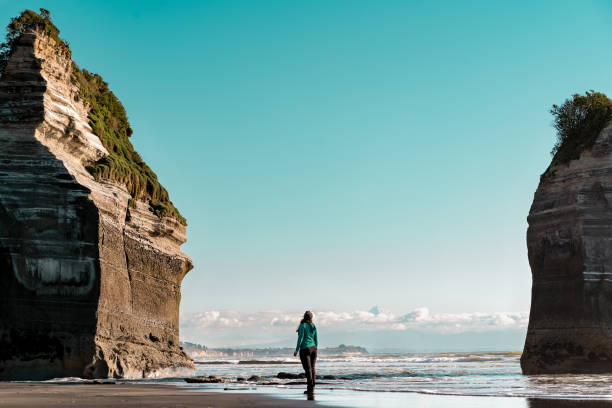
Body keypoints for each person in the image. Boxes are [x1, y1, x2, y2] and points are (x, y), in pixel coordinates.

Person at [293, 310, 318, 394]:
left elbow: (300, 339)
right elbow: (316, 338)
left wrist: (296, 350)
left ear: (304, 317)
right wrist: (315, 348)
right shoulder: (313, 325)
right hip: (313, 348)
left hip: (305, 349)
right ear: (311, 318)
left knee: (308, 369)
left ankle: (310, 387)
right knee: (312, 368)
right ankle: (312, 385)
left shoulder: (302, 326)